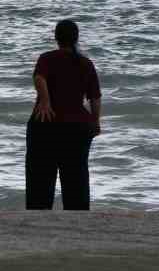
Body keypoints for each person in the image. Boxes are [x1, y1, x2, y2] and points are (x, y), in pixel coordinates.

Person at [26, 19, 102, 210]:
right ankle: (78, 222)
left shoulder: (47, 58)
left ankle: (38, 220)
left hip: (45, 125)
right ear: (76, 39)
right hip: (77, 128)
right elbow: (95, 98)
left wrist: (45, 101)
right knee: (76, 181)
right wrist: (95, 121)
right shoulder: (85, 63)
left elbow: (39, 77)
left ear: (56, 38)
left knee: (40, 181)